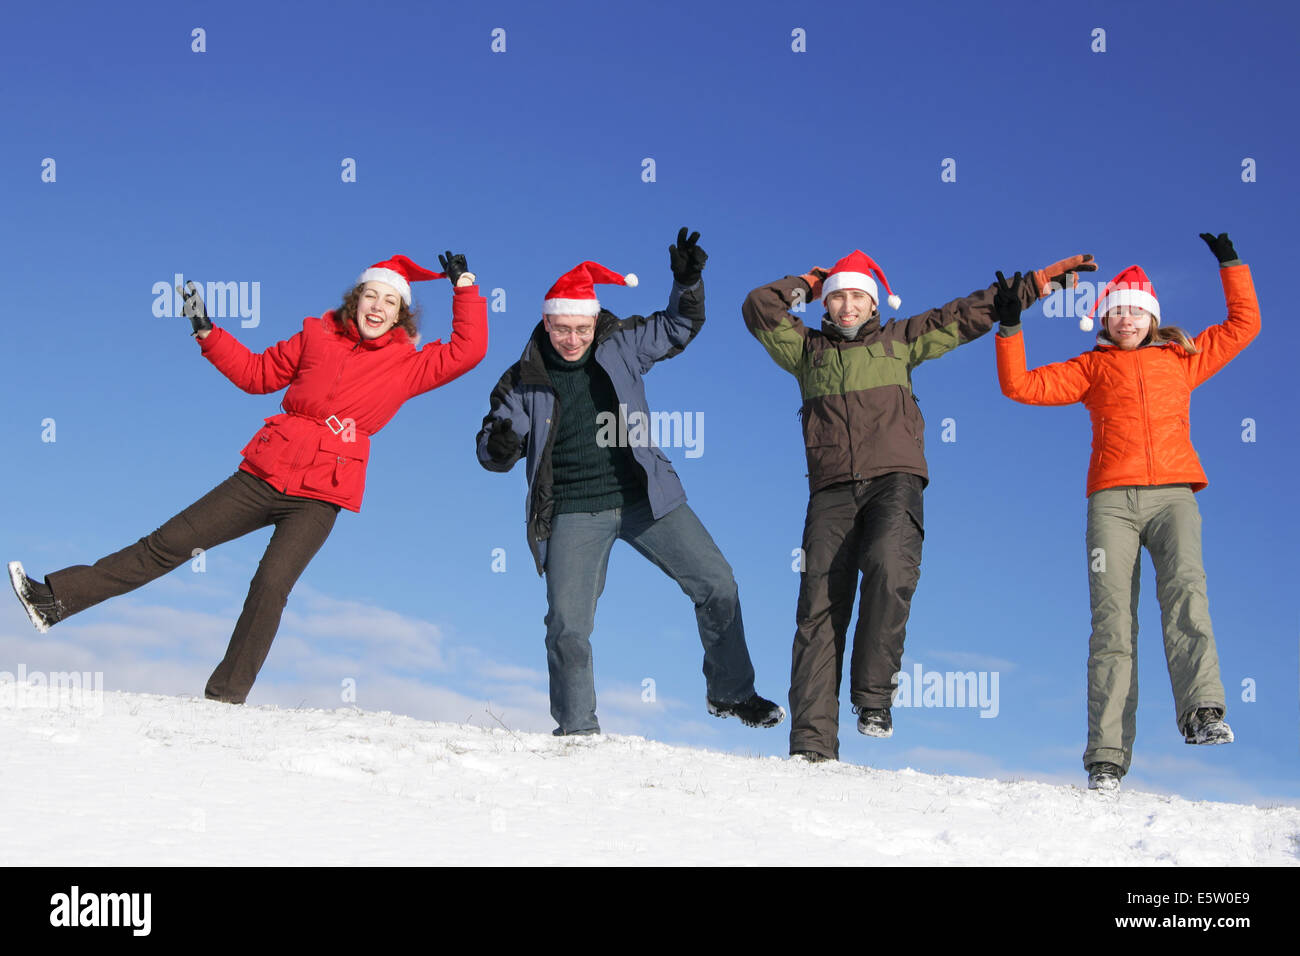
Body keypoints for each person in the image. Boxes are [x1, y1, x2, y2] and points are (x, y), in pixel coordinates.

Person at [9, 253, 488, 703]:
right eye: (371, 296)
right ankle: (53, 600)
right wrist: (207, 332)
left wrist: (464, 289)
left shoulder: (409, 364)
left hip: (320, 494)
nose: (378, 307)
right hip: (264, 472)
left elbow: (469, 350)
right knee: (169, 543)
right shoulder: (315, 337)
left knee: (270, 586)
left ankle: (225, 696)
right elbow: (257, 373)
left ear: (401, 313)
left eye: (390, 301)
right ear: (355, 300)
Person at [743, 249, 1096, 762]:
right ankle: (812, 746)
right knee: (818, 609)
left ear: (873, 305)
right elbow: (759, 306)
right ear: (825, 301)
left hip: (895, 480)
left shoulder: (900, 340)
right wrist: (809, 280)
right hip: (831, 490)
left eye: (857, 297)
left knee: (890, 567)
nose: (846, 306)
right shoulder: (805, 350)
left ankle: (873, 699)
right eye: (838, 296)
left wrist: (1037, 285)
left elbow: (965, 314)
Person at [476, 228, 784, 736]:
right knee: (567, 626)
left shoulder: (622, 342)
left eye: (580, 328)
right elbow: (490, 448)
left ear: (595, 322)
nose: (572, 339)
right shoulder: (522, 378)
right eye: (561, 329)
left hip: (647, 497)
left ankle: (731, 693)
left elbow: (680, 324)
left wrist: (688, 281)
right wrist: (501, 445)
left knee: (718, 584)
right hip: (574, 509)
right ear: (546, 322)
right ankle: (577, 731)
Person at [994, 232, 1258, 792]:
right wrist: (1011, 326)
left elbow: (1244, 325)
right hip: (1111, 503)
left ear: (1153, 317)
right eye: (1119, 312)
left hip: (1175, 498)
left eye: (1138, 312)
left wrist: (1232, 265)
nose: (1129, 320)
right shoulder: (1092, 369)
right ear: (1105, 321)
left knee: (1186, 594)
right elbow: (1018, 385)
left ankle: (1203, 712)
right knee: (1112, 625)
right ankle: (1106, 757)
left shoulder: (1181, 359)